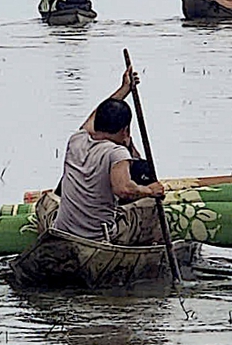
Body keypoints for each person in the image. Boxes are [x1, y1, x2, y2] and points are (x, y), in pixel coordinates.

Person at [47, 67, 169, 246]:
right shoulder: (116, 152)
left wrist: (124, 89)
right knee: (152, 207)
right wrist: (151, 191)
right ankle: (152, 250)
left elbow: (97, 114)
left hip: (63, 230)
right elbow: (124, 189)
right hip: (98, 237)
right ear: (125, 130)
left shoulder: (76, 139)